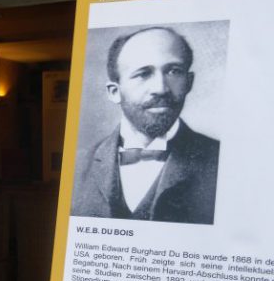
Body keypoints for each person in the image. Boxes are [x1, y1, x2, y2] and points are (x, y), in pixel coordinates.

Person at [71, 26, 219, 224]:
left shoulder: (222, 161)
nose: (160, 88)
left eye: (174, 71)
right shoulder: (77, 166)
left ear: (189, 82)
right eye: (143, 74)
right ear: (114, 92)